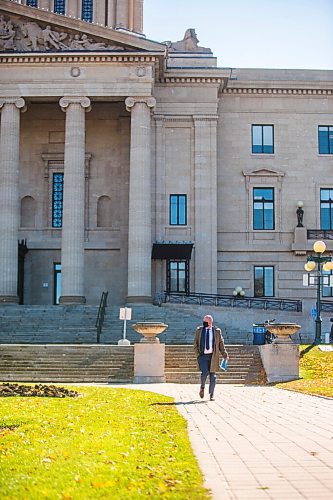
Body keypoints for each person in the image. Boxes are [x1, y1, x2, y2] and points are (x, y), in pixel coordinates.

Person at [194, 314, 228, 401]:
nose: (204, 323)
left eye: (206, 321)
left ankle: (211, 394)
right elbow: (195, 344)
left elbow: (221, 344)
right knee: (204, 372)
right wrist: (198, 355)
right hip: (202, 356)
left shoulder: (217, 331)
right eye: (204, 321)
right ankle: (202, 388)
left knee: (213, 376)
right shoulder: (199, 330)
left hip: (213, 356)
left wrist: (225, 354)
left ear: (210, 322)